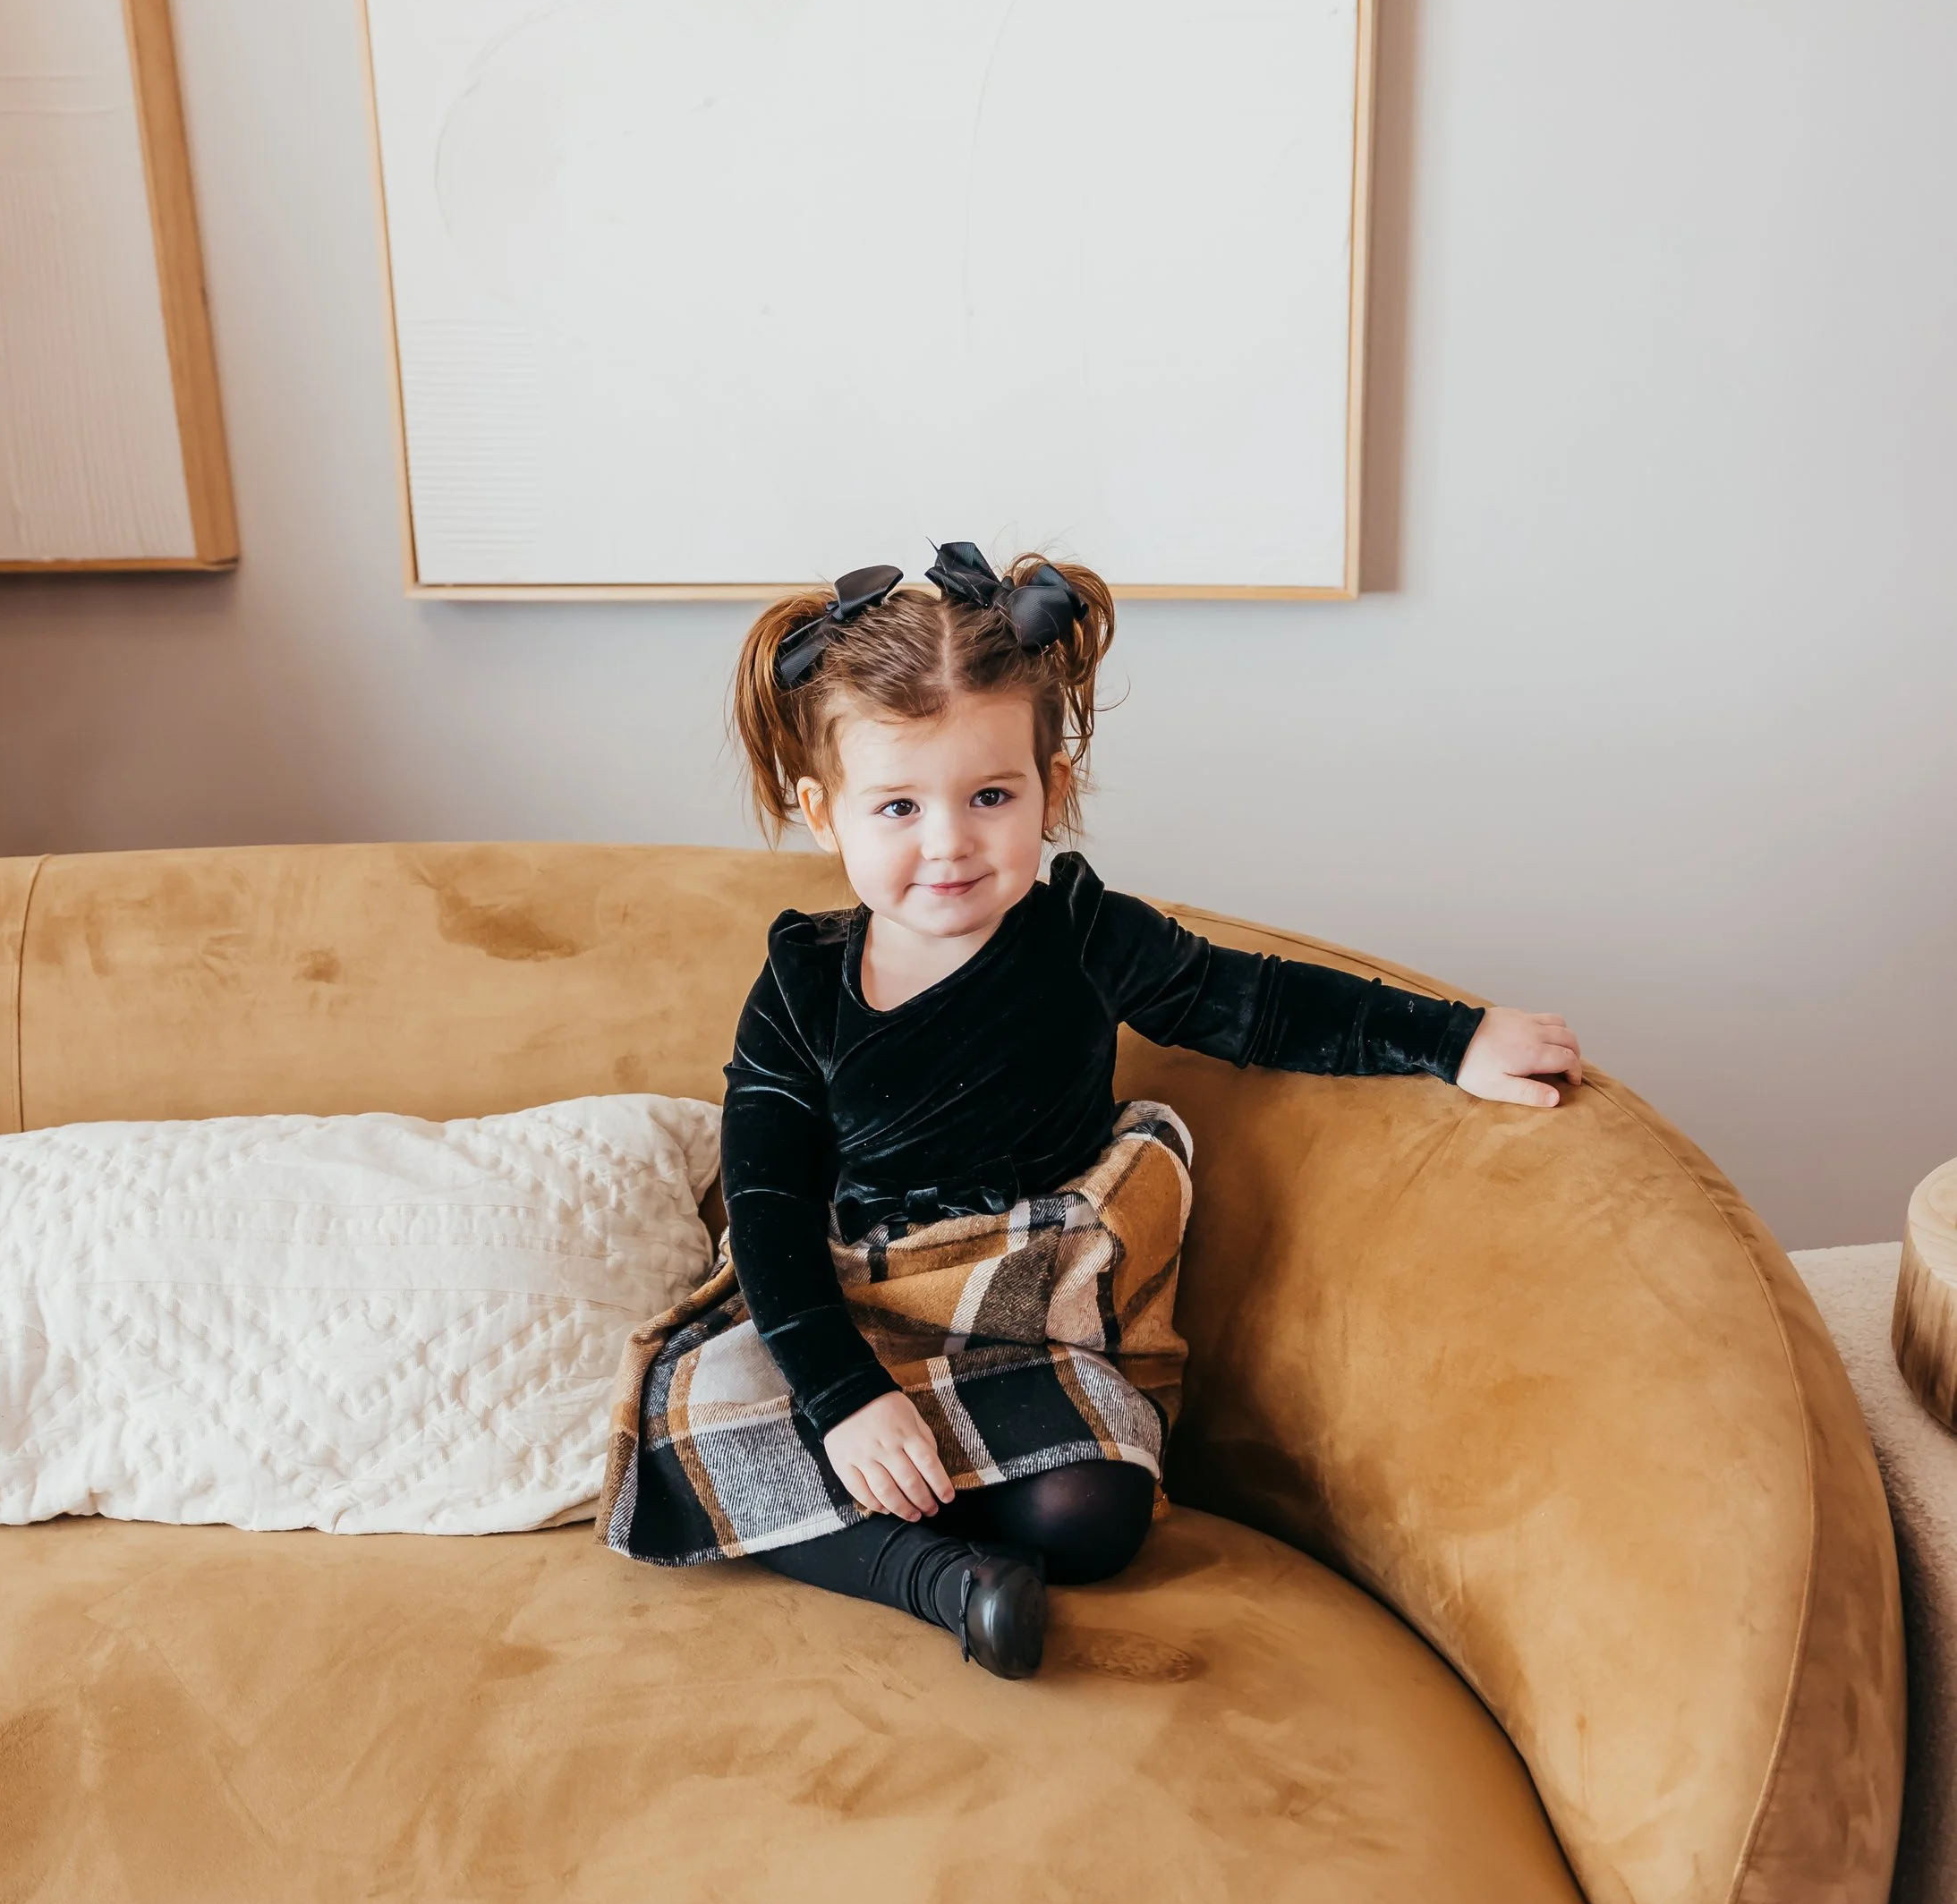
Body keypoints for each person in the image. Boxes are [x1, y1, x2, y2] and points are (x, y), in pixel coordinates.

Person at [597, 544, 1580, 1678]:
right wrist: (845, 1397)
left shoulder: (1083, 935)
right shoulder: (799, 987)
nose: (948, 842)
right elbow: (766, 1208)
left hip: (1018, 1310)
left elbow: (1256, 1003)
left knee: (1093, 1512)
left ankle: (921, 1515)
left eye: (990, 797)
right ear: (825, 814)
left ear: (1050, 791)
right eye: (899, 806)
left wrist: (1453, 1037)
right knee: (688, 1425)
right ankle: (944, 1581)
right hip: (845, 1307)